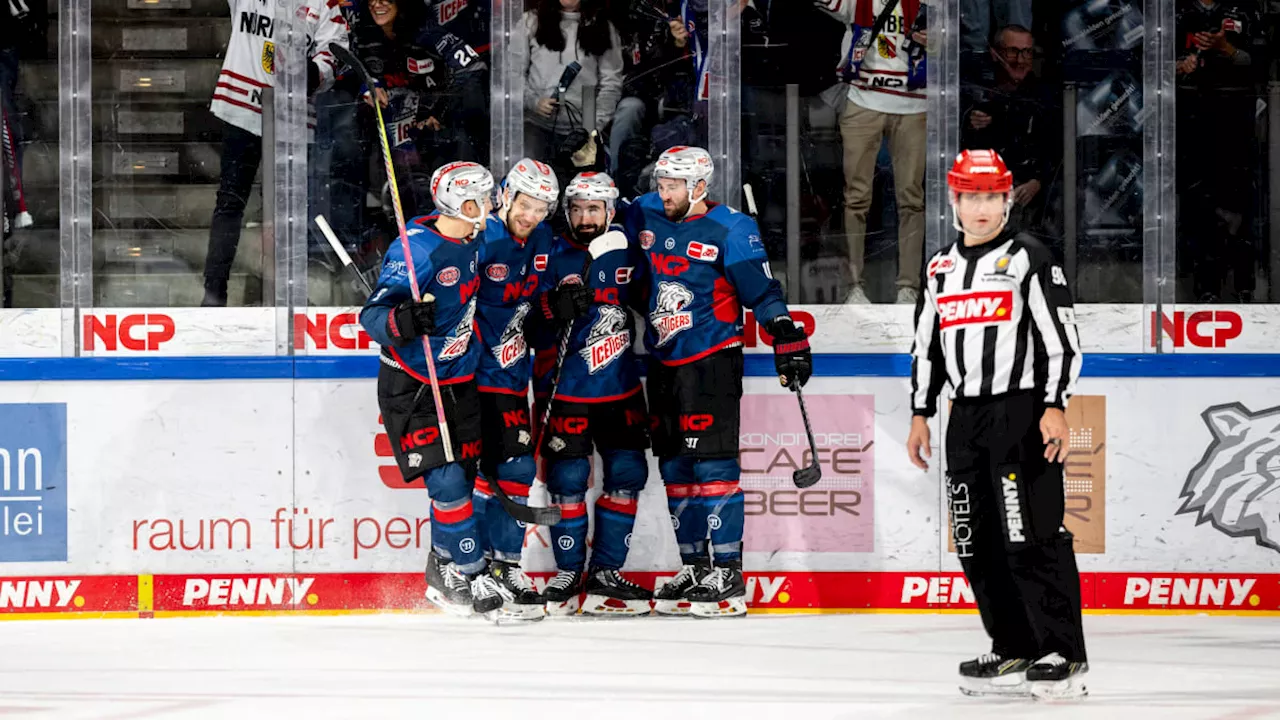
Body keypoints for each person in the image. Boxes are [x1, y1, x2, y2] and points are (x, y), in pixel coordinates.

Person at [905, 149, 1087, 700]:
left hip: (1021, 412)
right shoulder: (939, 266)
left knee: (1029, 535)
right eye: (970, 196)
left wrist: (1054, 406)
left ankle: (1062, 651)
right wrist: (920, 413)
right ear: (954, 200)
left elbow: (1063, 339)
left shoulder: (1031, 257)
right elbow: (925, 346)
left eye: (991, 196)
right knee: (974, 540)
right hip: (965, 418)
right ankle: (1012, 646)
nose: (981, 208)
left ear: (1006, 199)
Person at [622, 146, 811, 618]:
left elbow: (763, 292)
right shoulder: (645, 212)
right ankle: (693, 566)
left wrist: (784, 335)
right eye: (660, 184)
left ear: (699, 187)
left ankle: (727, 573)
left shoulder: (733, 229)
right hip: (662, 360)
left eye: (672, 186)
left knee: (711, 464)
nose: (662, 193)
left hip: (711, 359)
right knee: (675, 466)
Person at [358, 161, 504, 617]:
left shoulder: (477, 237)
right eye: (483, 199)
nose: (492, 205)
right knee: (445, 481)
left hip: (459, 377)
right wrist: (402, 321)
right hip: (414, 382)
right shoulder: (415, 252)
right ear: (461, 203)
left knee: (465, 477)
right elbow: (371, 317)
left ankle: (443, 567)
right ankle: (475, 573)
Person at [529, 172, 652, 616]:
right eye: (577, 209)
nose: (585, 218)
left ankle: (605, 573)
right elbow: (526, 325)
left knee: (627, 475)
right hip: (565, 388)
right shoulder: (551, 252)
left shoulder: (628, 251)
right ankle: (567, 572)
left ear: (610, 212)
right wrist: (553, 308)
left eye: (594, 209)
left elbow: (658, 299)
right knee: (566, 483)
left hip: (619, 389)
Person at [203, 0, 350, 307]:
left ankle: (287, 295)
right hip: (241, 108)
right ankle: (214, 295)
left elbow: (335, 52)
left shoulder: (325, 4)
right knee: (230, 203)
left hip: (290, 118)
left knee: (288, 213)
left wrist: (314, 72)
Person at [469, 158, 560, 621]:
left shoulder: (543, 239)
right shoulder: (480, 236)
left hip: (510, 376)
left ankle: (506, 566)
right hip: (467, 377)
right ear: (505, 196)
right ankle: (471, 569)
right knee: (468, 478)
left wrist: (555, 306)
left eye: (541, 208)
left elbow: (536, 311)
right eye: (525, 204)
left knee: (517, 471)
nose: (531, 216)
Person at [816, 0, 927, 305]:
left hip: (915, 104)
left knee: (911, 200)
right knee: (856, 198)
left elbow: (953, 39)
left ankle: (909, 286)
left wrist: (938, 40)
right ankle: (854, 286)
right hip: (864, 101)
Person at [520, 0, 624, 182]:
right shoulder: (530, 21)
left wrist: (591, 127)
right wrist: (534, 102)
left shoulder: (604, 26)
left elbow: (611, 83)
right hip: (536, 123)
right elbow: (511, 74)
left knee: (583, 187)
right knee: (530, 178)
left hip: (583, 125)